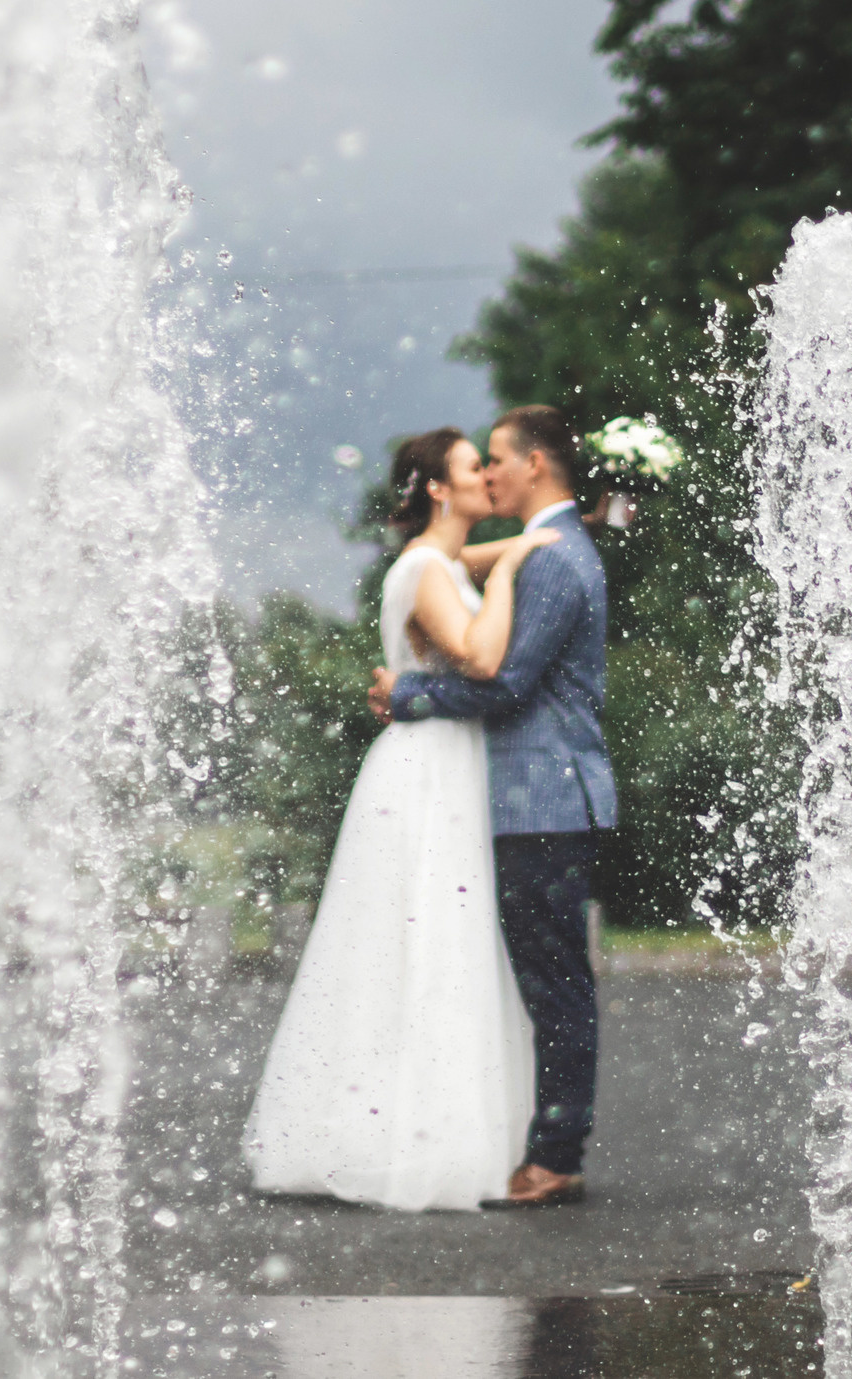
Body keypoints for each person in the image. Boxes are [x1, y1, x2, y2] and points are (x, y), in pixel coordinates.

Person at [242, 429, 560, 1210]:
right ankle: (412, 1139)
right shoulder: (426, 569)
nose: (486, 474)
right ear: (438, 490)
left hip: (437, 762)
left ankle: (409, 1124)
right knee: (423, 941)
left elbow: (469, 562)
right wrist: (518, 568)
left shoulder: (438, 562)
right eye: (468, 468)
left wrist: (524, 542)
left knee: (417, 941)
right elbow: (482, 659)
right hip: (427, 772)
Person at [370, 405, 614, 1209]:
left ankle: (554, 1156)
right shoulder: (552, 545)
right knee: (550, 979)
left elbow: (503, 683)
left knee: (555, 984)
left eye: (498, 461)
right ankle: (549, 1144)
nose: (490, 474)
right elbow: (444, 559)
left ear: (535, 466)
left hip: (542, 797)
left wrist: (409, 691)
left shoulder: (550, 561)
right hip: (539, 797)